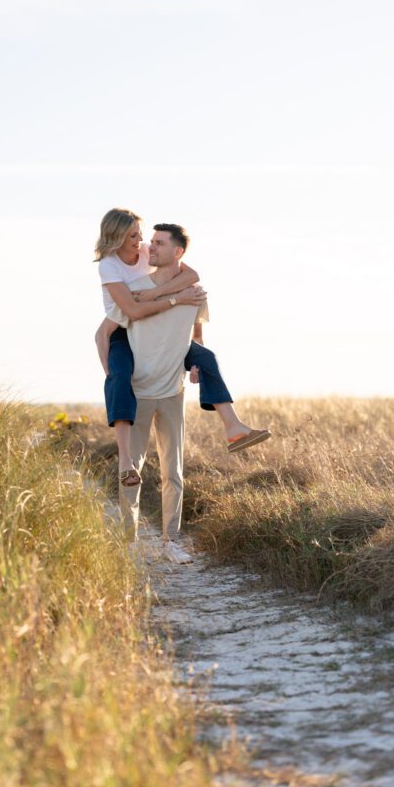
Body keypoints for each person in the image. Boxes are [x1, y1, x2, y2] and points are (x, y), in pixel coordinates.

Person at [94, 208, 270, 490]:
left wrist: (158, 293)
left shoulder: (144, 254)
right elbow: (132, 311)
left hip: (159, 329)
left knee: (205, 355)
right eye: (134, 235)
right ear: (116, 237)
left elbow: (192, 274)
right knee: (119, 378)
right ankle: (126, 460)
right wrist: (175, 299)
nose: (142, 240)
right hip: (123, 330)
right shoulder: (109, 266)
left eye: (142, 234)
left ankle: (233, 425)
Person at [109, 222, 247, 562]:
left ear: (178, 252)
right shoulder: (134, 289)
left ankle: (170, 542)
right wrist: (113, 375)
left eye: (158, 243)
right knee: (132, 471)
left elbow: (196, 338)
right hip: (138, 390)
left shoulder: (196, 294)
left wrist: (194, 365)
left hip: (173, 391)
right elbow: (108, 331)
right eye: (150, 242)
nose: (150, 248)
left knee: (174, 471)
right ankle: (130, 542)